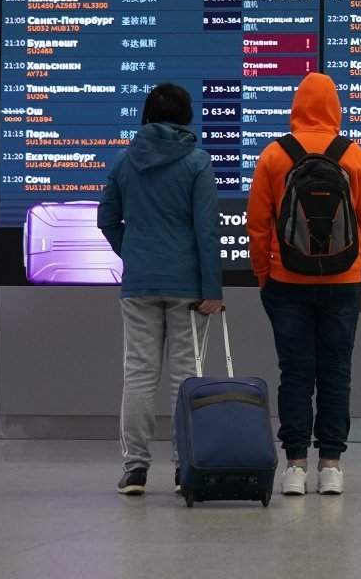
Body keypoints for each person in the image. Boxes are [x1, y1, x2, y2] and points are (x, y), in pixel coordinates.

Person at [245, 72, 361, 497]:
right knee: (337, 372)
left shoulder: (274, 155)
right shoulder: (354, 156)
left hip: (287, 282)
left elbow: (257, 225)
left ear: (297, 106)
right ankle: (332, 467)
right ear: (335, 107)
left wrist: (264, 275)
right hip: (344, 282)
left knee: (296, 372)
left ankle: (295, 467)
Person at [97, 82, 224, 496]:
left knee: (139, 374)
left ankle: (134, 469)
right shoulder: (198, 163)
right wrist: (213, 289)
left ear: (146, 115)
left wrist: (132, 253)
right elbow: (206, 231)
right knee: (185, 378)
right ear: (187, 116)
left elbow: (106, 219)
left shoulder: (123, 161)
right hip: (188, 284)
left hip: (139, 283)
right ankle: (184, 467)